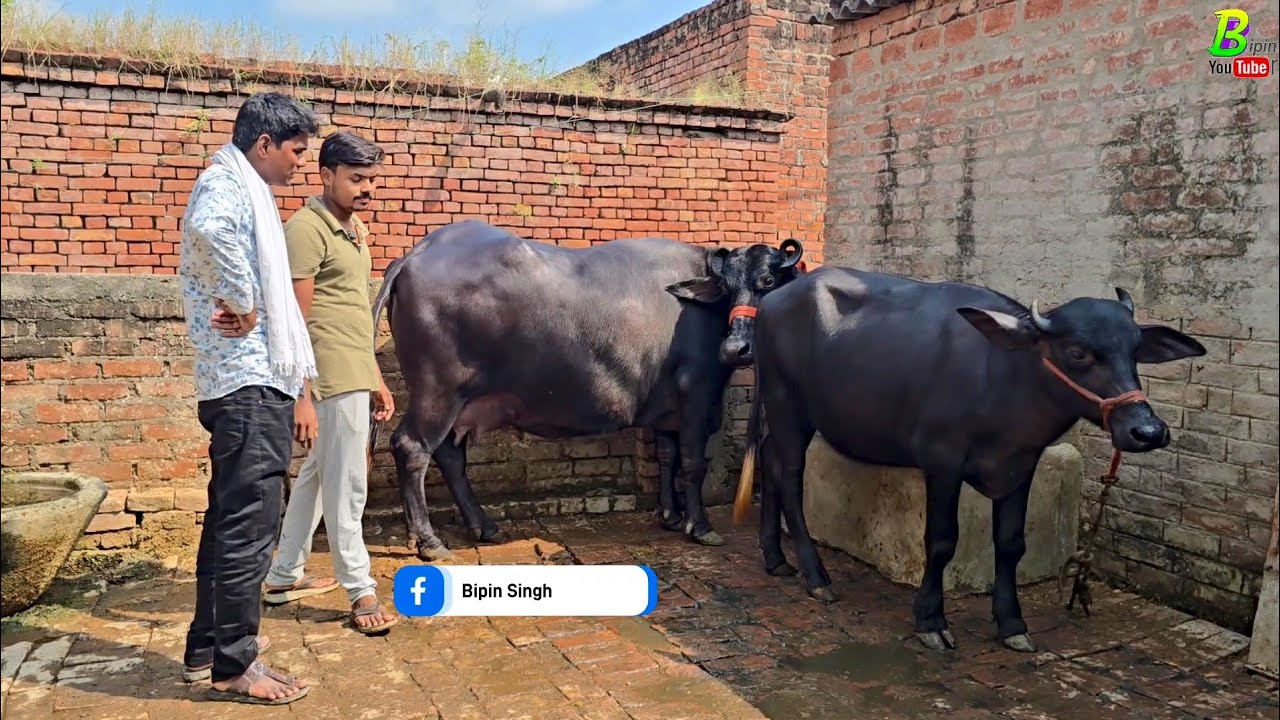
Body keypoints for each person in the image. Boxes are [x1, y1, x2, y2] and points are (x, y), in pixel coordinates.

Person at [179, 91, 319, 706]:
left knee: (230, 523)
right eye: (295, 151)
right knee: (250, 528)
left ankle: (207, 650)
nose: (298, 166)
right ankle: (236, 663)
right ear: (264, 144)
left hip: (246, 383)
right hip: (248, 384)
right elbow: (208, 230)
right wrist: (247, 302)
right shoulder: (226, 186)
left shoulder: (244, 188)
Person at [258, 130, 400, 634]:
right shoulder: (306, 230)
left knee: (319, 477)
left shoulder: (353, 228)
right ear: (326, 176)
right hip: (328, 377)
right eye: (357, 179)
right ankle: (360, 589)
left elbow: (354, 314)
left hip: (353, 370)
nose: (368, 189)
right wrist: (301, 395)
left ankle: (281, 575)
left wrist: (376, 377)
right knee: (348, 484)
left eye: (372, 181)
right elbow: (294, 320)